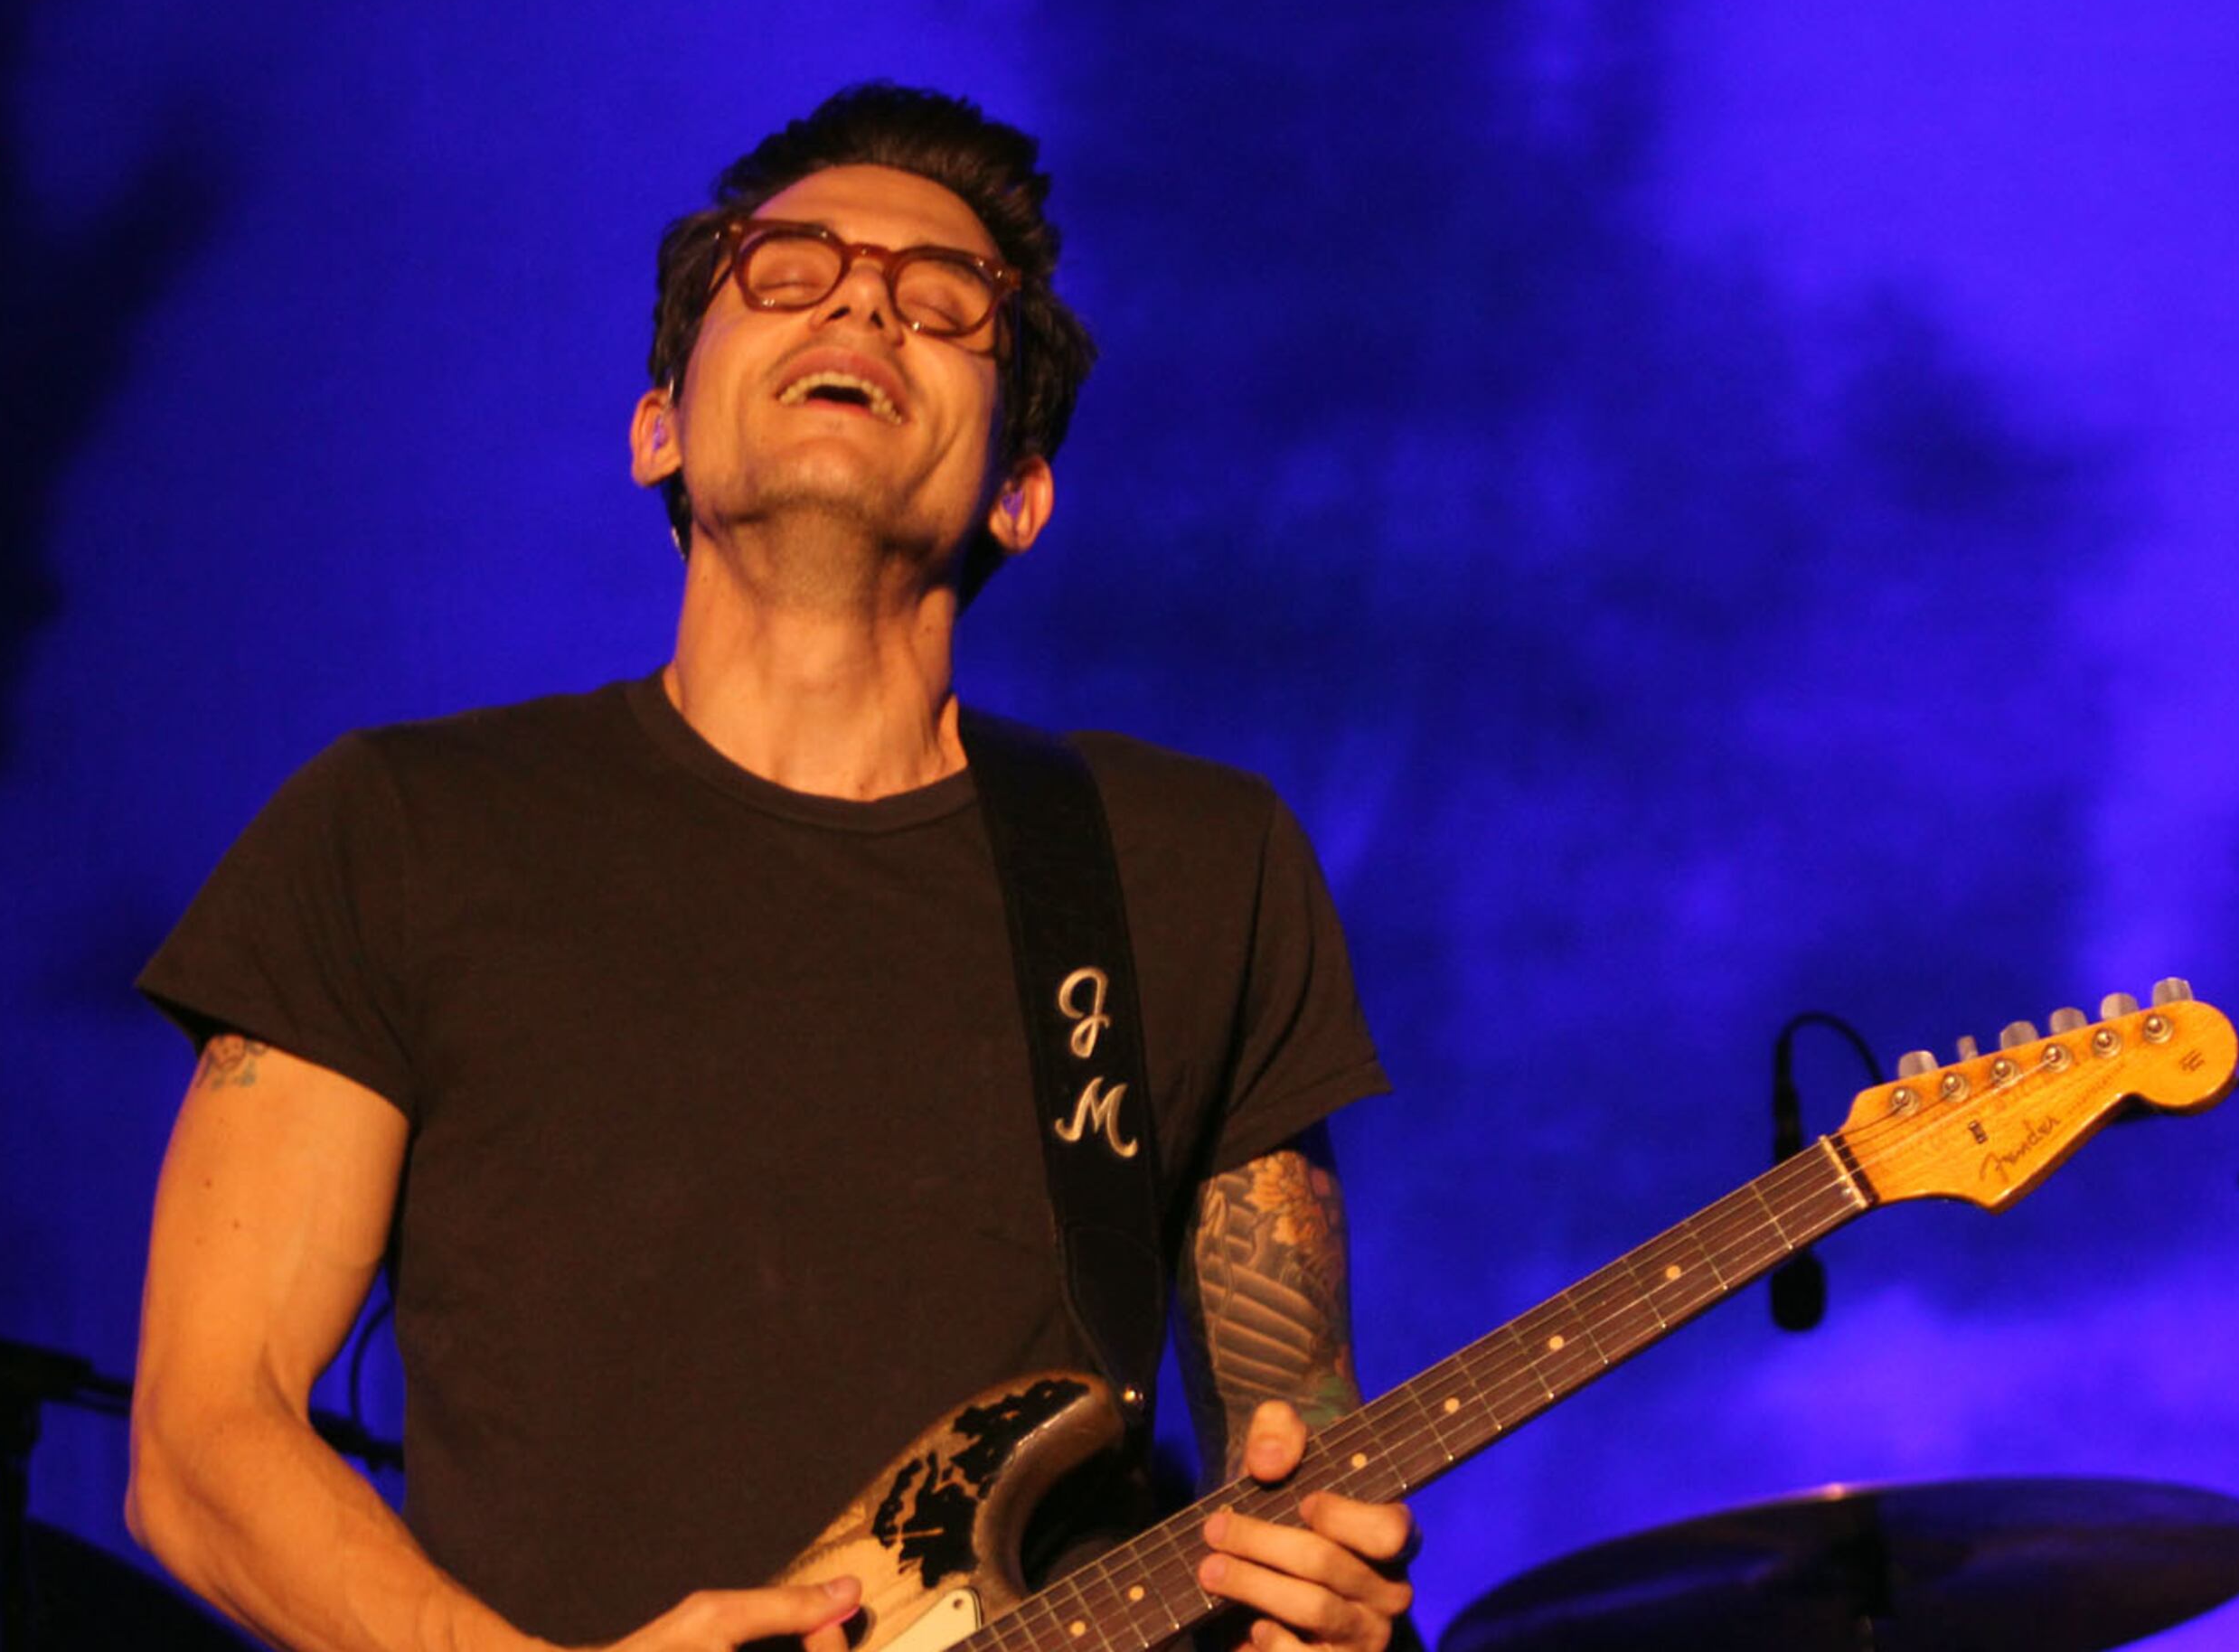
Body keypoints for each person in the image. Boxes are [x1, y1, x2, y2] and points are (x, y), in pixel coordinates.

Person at [124, 84, 1416, 1652]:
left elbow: (1300, 1458)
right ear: (657, 427)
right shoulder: (402, 828)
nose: (862, 305)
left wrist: (1330, 1617)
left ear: (1021, 490)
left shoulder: (1195, 864)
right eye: (787, 274)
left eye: (945, 305)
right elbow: (206, 1441)